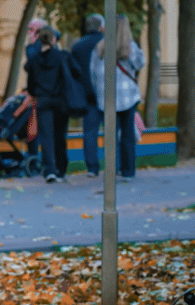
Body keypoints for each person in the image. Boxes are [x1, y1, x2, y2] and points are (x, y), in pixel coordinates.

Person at [90, 14, 145, 180]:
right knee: (128, 134)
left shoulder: (100, 48)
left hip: (106, 98)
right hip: (127, 96)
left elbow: (93, 73)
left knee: (110, 135)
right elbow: (140, 64)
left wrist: (98, 91)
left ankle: (112, 169)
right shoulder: (130, 47)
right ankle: (128, 171)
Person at [23, 27, 79, 182]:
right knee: (60, 135)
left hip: (43, 101)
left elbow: (30, 83)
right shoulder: (62, 57)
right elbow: (77, 72)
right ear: (54, 39)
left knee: (46, 136)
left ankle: (49, 170)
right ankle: (61, 168)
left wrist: (35, 92)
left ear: (39, 40)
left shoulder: (34, 60)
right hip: (61, 101)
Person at [69, 14, 105, 176]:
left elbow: (74, 72)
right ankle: (115, 165)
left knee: (90, 131)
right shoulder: (108, 43)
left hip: (87, 95)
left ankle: (92, 167)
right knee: (112, 130)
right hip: (106, 93)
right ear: (102, 27)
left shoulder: (77, 46)